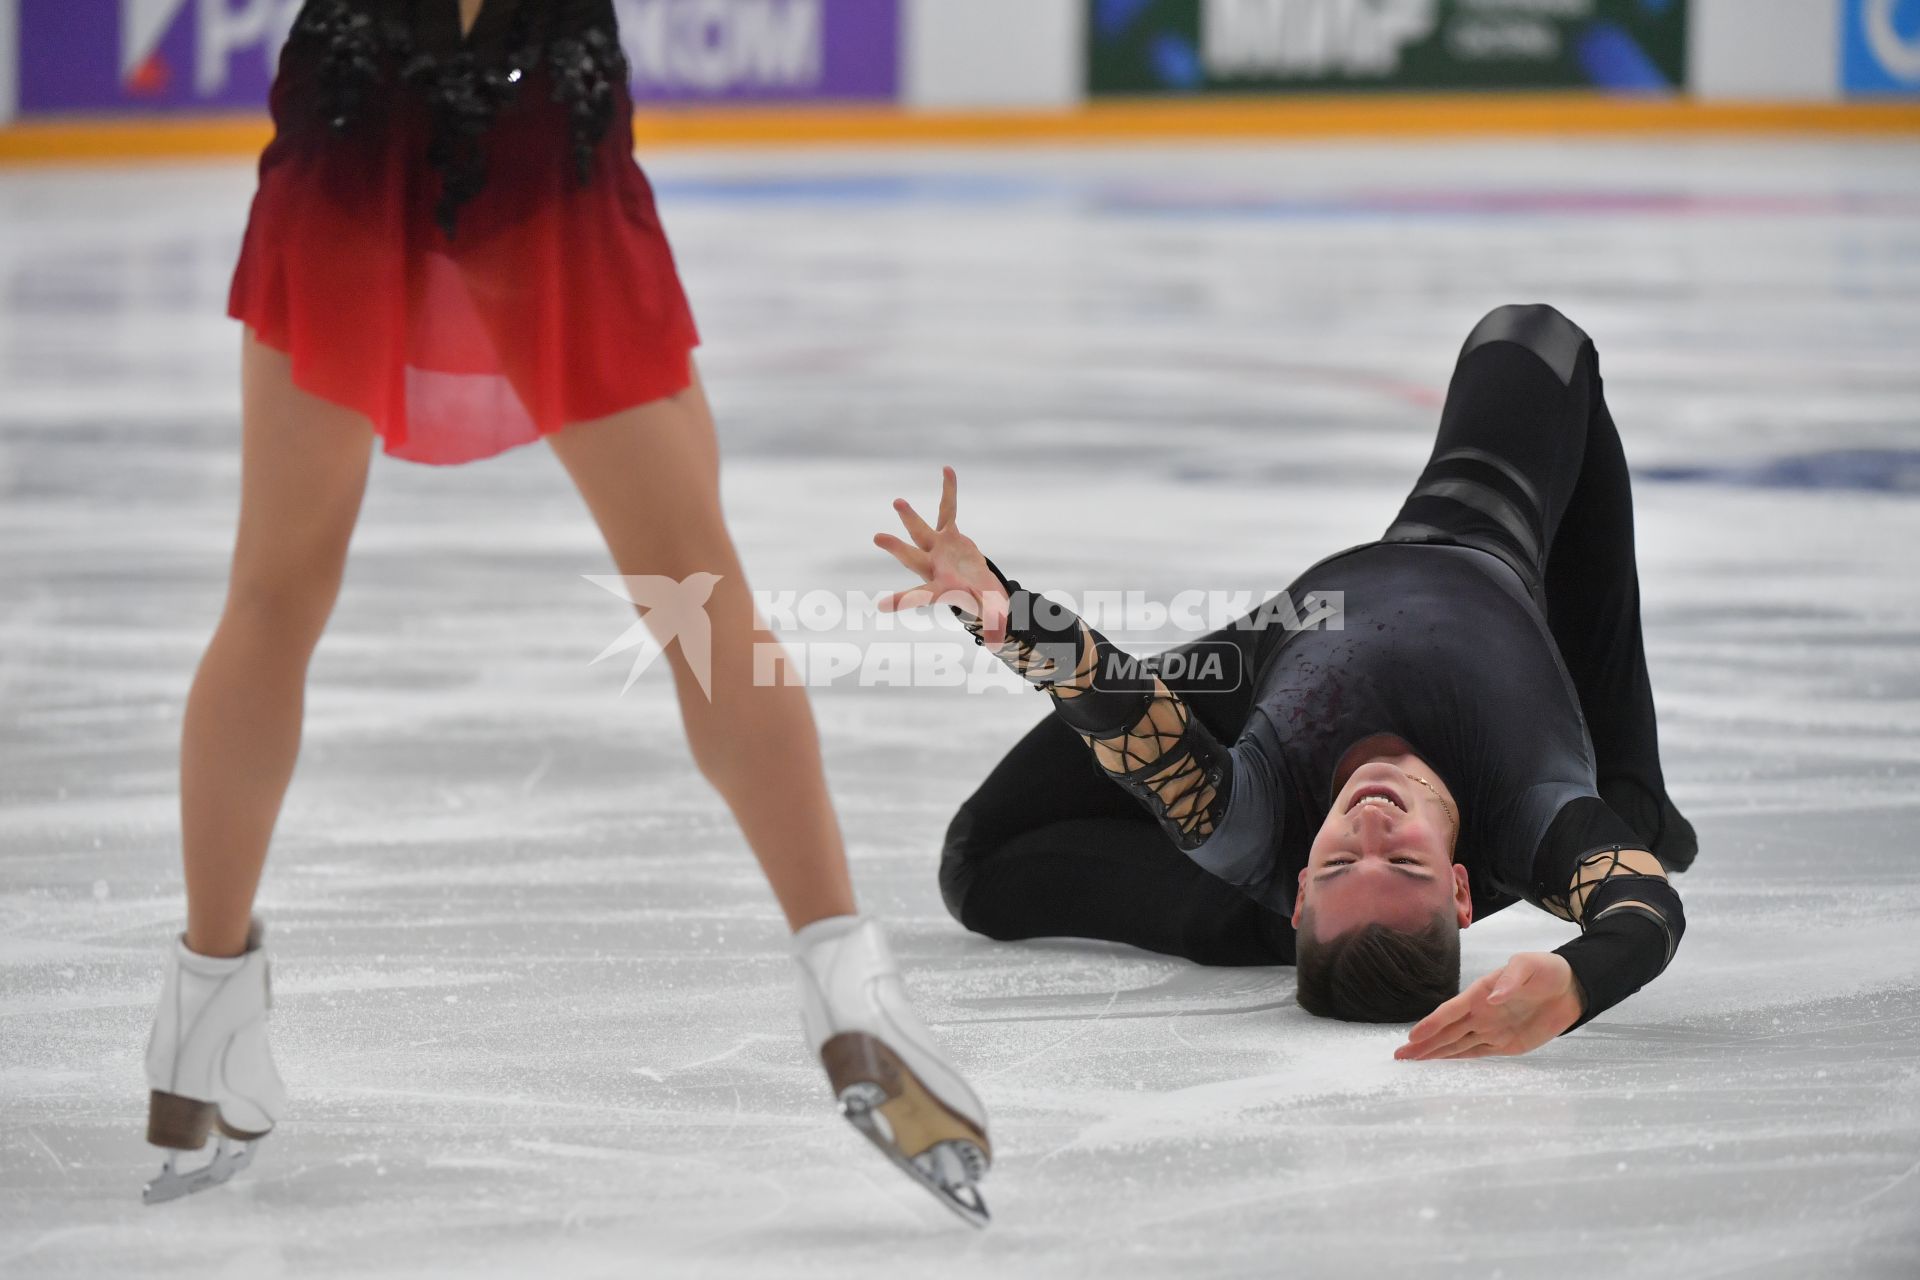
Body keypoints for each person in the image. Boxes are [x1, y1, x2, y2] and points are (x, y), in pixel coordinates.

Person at [141, 0, 991, 1224]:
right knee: (692, 587)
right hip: (540, 97)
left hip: (356, 94)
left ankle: (198, 1032)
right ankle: (849, 987)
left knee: (272, 593)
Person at [873, 304, 1697, 1060]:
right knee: (1530, 339)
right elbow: (1641, 910)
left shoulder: (1258, 829)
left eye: (1338, 867)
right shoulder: (1532, 818)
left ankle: (1263, 923)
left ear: (1302, 885)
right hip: (1461, 556)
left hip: (1273, 670)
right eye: (1403, 867)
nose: (1370, 828)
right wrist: (1583, 979)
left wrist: (1004, 611)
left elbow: (1119, 713)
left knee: (977, 866)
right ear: (1460, 890)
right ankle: (1635, 793)